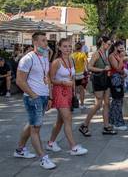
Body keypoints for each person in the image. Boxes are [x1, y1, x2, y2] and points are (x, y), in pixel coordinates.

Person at [14, 32, 56, 169]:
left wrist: (49, 96)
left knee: (32, 124)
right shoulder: (27, 59)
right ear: (35, 42)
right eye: (43, 41)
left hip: (43, 97)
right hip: (34, 98)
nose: (46, 43)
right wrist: (33, 95)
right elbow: (20, 81)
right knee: (36, 128)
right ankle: (43, 158)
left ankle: (20, 150)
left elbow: (47, 77)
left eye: (46, 41)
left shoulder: (44, 56)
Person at [47, 38, 88, 156]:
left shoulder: (71, 59)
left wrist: (74, 91)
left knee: (60, 121)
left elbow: (73, 77)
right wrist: (63, 83)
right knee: (68, 119)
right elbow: (51, 79)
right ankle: (73, 147)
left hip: (69, 92)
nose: (68, 49)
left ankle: (51, 143)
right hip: (59, 92)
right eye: (65, 46)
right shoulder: (57, 62)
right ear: (59, 47)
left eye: (70, 46)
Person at [79, 36, 117, 136]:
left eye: (110, 44)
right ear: (102, 43)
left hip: (106, 79)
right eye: (108, 44)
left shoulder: (106, 53)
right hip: (99, 80)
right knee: (98, 104)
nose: (109, 46)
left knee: (106, 103)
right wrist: (102, 70)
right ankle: (84, 125)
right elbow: (89, 67)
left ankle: (106, 126)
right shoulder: (97, 53)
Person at [108, 41, 128, 131]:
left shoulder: (118, 56)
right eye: (120, 47)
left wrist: (123, 73)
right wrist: (121, 59)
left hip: (119, 79)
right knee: (117, 101)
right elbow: (117, 68)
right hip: (115, 80)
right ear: (115, 47)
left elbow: (121, 69)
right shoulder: (112, 56)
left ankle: (112, 120)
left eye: (123, 47)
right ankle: (117, 122)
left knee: (118, 101)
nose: (122, 49)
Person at [72, 42, 88, 109]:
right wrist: (86, 71)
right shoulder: (83, 54)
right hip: (81, 74)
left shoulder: (72, 55)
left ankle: (75, 103)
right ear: (81, 48)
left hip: (74, 74)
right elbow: (86, 63)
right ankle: (82, 104)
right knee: (82, 90)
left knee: (75, 90)